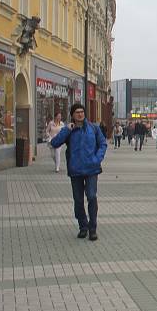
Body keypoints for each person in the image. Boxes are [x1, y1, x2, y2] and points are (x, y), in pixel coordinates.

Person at [50, 103, 107, 241]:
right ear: (72, 115)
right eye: (77, 112)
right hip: (75, 170)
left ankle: (92, 228)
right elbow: (55, 143)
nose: (80, 114)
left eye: (82, 111)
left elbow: (103, 144)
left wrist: (96, 159)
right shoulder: (69, 130)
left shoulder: (93, 128)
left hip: (92, 168)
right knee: (78, 201)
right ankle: (83, 226)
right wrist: (66, 130)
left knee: (92, 196)